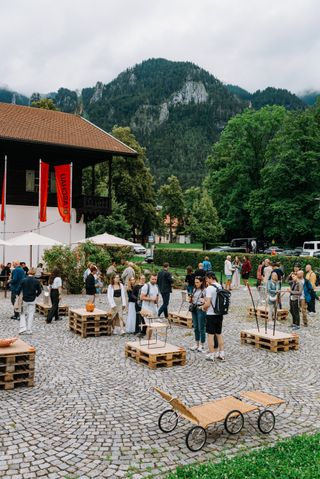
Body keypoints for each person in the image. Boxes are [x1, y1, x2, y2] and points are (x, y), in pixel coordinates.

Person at [202, 272, 224, 361]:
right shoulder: (220, 286)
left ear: (210, 278)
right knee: (219, 334)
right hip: (219, 313)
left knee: (210, 335)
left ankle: (211, 355)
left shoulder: (210, 288)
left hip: (211, 314)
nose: (206, 281)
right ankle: (221, 354)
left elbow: (207, 304)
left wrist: (202, 308)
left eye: (206, 279)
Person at [17, 268, 42, 335]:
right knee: (31, 315)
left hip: (25, 299)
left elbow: (18, 290)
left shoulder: (23, 280)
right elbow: (40, 291)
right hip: (33, 299)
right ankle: (29, 330)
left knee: (22, 313)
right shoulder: (37, 281)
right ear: (34, 273)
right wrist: (36, 295)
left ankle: (22, 328)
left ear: (28, 273)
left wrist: (18, 295)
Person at [189, 276, 206, 352]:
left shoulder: (204, 290)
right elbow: (192, 299)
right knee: (195, 327)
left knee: (201, 327)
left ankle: (202, 345)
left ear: (201, 282)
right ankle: (196, 344)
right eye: (195, 282)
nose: (196, 284)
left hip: (200, 309)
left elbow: (208, 301)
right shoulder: (194, 289)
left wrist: (204, 301)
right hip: (194, 308)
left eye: (197, 282)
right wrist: (190, 298)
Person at [139, 273, 159, 339]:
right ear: (150, 279)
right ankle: (148, 340)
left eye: (155, 279)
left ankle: (149, 339)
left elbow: (156, 296)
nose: (154, 280)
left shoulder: (156, 287)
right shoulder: (146, 286)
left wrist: (156, 301)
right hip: (146, 309)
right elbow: (141, 297)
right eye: (152, 279)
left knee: (151, 326)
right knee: (149, 325)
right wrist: (151, 299)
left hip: (153, 309)